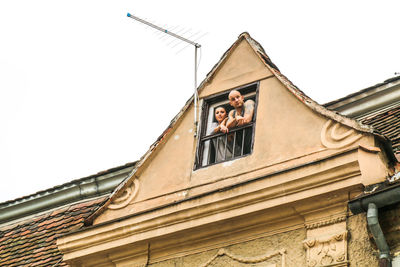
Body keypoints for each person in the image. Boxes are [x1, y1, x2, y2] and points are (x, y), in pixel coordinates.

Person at [226, 90, 255, 156]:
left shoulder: (248, 103)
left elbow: (247, 120)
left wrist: (234, 123)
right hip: (242, 148)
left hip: (253, 142)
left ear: (242, 97)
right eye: (233, 99)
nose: (236, 100)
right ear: (230, 103)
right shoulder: (232, 113)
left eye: (238, 97)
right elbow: (228, 126)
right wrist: (236, 119)